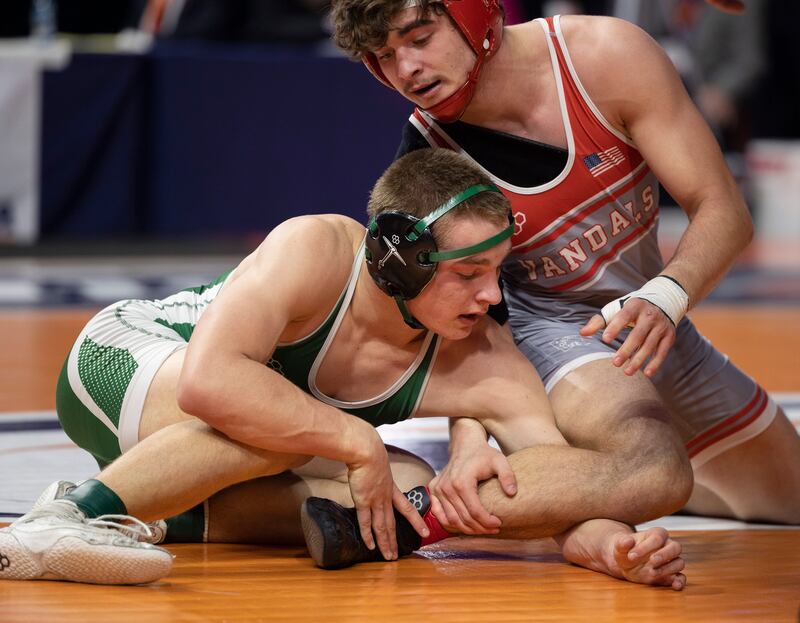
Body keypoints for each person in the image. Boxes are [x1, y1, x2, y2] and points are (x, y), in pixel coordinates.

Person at [0, 149, 686, 589]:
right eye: (470, 273)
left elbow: (550, 479)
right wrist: (355, 440)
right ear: (399, 259)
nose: (493, 296)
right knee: (287, 423)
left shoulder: (485, 363)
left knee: (407, 492)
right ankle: (63, 518)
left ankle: (156, 513)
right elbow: (211, 384)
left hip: (212, 449)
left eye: (497, 271)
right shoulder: (317, 247)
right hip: (121, 356)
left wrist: (610, 545)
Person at [327, 0, 800, 535]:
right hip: (547, 330)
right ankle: (407, 518)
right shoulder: (430, 158)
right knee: (648, 450)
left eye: (418, 38)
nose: (405, 70)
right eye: (384, 56)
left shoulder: (606, 58)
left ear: (474, 15)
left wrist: (670, 293)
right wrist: (468, 437)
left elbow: (724, 209)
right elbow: (459, 319)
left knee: (787, 498)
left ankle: (580, 496)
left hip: (653, 311)